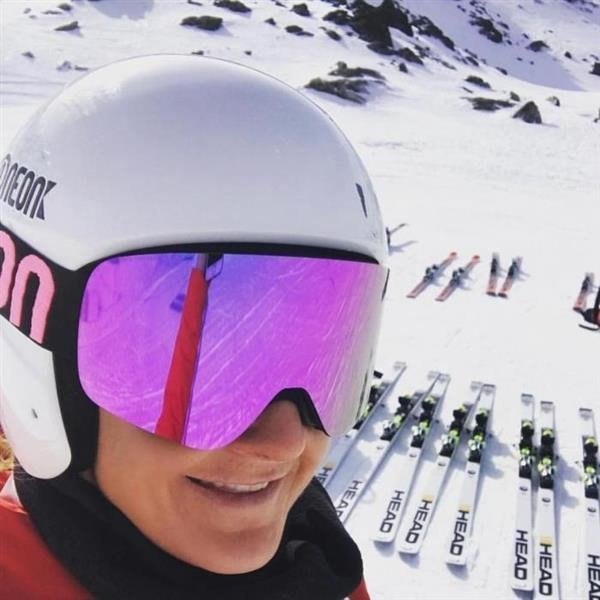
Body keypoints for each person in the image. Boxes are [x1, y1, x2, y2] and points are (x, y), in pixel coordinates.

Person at [0, 55, 389, 599]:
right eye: (208, 377)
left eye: (318, 359)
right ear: (40, 337)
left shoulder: (319, 567)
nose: (283, 442)